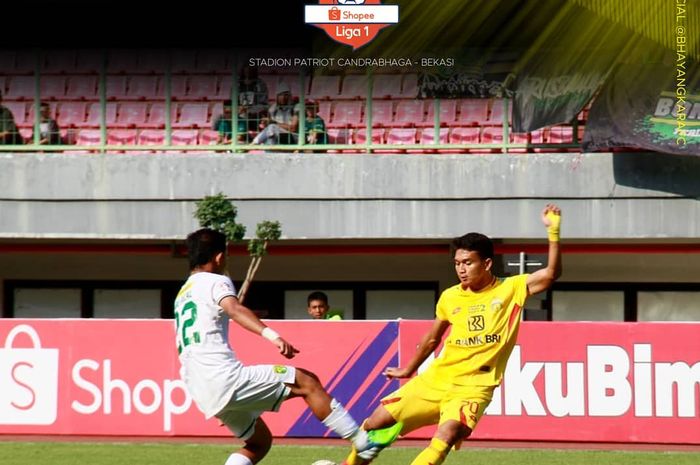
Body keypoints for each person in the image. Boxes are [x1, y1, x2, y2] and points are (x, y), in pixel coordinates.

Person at [340, 204, 563, 465]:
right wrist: (408, 369)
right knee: (374, 424)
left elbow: (551, 274)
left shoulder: (511, 288)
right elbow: (432, 339)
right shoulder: (450, 296)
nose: (461, 269)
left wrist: (554, 235)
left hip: (474, 387)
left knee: (445, 435)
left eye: (468, 262)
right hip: (436, 379)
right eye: (457, 263)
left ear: (487, 263)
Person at [175, 228, 391, 465]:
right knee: (307, 382)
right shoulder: (216, 280)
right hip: (223, 378)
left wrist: (217, 395)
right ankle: (363, 442)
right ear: (218, 257)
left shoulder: (183, 293)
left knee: (259, 443)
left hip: (200, 387)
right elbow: (234, 309)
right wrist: (272, 335)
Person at [238, 64, 269, 133]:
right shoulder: (237, 84)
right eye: (246, 67)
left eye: (250, 67)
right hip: (239, 114)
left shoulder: (261, 84)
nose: (248, 69)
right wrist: (238, 109)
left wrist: (249, 110)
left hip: (254, 115)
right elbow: (231, 102)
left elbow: (264, 105)